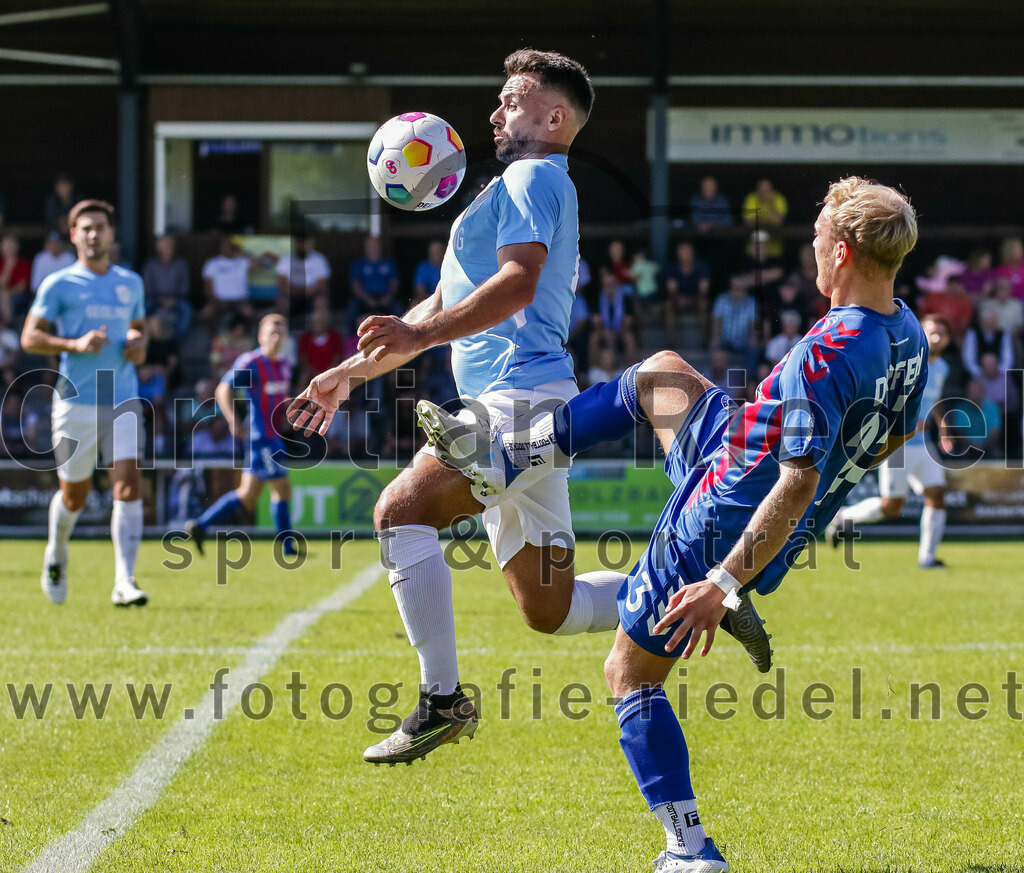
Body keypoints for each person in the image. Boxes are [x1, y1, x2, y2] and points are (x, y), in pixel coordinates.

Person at [421, 176, 926, 872]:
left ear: (840, 251)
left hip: (720, 515)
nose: (808, 248)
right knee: (657, 374)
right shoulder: (907, 332)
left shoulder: (828, 349)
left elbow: (799, 477)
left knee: (630, 673)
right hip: (743, 455)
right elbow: (892, 435)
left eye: (814, 238)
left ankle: (689, 849)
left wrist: (721, 580)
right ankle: (508, 460)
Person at [288, 50, 636, 766]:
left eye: (511, 99)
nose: (495, 112)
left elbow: (516, 284)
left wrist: (417, 334)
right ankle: (694, 578)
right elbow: (445, 302)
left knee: (398, 512)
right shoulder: (516, 185)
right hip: (521, 397)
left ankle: (440, 701)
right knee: (554, 609)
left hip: (518, 399)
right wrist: (352, 372)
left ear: (553, 117)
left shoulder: (534, 173)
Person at [20, 200, 149, 607]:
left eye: (101, 227)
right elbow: (29, 337)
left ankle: (124, 581)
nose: (94, 234)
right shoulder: (59, 284)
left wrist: (137, 346)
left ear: (112, 234)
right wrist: (73, 343)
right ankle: (56, 551)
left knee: (128, 486)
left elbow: (139, 336)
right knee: (73, 496)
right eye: (86, 228)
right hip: (75, 402)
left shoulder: (131, 282)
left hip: (123, 396)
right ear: (74, 235)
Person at [827, 313, 951, 568]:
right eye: (932, 331)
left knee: (937, 494)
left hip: (924, 443)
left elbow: (934, 400)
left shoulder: (943, 367)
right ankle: (843, 517)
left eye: (942, 332)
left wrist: (944, 426)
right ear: (922, 334)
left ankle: (927, 558)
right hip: (899, 444)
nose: (937, 337)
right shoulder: (911, 360)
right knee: (892, 506)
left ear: (948, 339)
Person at [184, 314, 299, 556]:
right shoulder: (252, 362)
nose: (277, 338)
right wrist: (232, 419)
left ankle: (200, 526)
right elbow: (223, 388)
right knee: (282, 488)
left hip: (273, 435)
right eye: (272, 333)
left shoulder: (284, 364)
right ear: (261, 337)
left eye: (281, 332)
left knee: (248, 496)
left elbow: (277, 399)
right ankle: (288, 549)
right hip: (262, 437)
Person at [347, 235, 400, 329]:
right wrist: (367, 299)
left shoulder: (389, 262)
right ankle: (352, 339)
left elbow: (394, 283)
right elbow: (355, 285)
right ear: (366, 247)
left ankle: (401, 336)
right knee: (352, 308)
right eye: (370, 245)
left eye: (376, 245)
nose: (373, 248)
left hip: (385, 297)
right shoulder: (359, 263)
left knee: (399, 309)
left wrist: (387, 297)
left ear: (380, 247)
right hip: (364, 298)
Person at [276, 233, 331, 322]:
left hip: (313, 295)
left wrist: (306, 291)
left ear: (310, 244)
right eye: (300, 243)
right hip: (291, 296)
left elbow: (322, 284)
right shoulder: (286, 259)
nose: (302, 246)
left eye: (305, 243)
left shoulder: (319, 259)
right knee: (282, 302)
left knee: (321, 301)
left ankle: (319, 333)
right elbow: (282, 284)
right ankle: (282, 329)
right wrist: (298, 291)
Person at [201, 236, 253, 327]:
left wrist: (242, 252)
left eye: (230, 246)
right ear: (220, 247)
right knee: (206, 313)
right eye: (225, 246)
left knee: (250, 314)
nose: (228, 248)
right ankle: (214, 338)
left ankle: (248, 338)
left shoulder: (243, 261)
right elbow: (207, 288)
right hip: (218, 301)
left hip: (240, 301)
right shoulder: (212, 263)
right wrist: (217, 301)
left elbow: (261, 265)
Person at [0, 234, 31, 320]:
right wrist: (8, 268)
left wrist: (7, 293)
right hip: (2, 295)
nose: (9, 250)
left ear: (17, 248)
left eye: (11, 247)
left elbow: (22, 287)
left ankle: (6, 326)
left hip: (19, 297)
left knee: (5, 297)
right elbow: (1, 284)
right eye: (6, 247)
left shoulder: (24, 264)